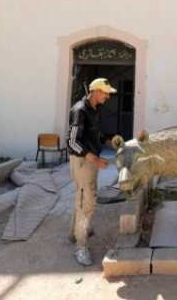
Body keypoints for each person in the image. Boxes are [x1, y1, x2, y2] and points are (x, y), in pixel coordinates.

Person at [68, 77, 115, 266]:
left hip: (90, 161)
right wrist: (94, 159)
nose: (107, 96)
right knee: (87, 201)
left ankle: (74, 233)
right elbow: (72, 142)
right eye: (105, 93)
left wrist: (109, 140)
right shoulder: (79, 110)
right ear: (95, 91)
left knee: (82, 197)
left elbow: (93, 134)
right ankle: (81, 246)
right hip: (82, 161)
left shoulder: (95, 109)